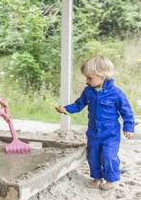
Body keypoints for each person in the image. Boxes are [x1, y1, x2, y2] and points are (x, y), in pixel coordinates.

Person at [56, 55, 134, 190]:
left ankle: (110, 179)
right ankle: (96, 178)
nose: (86, 81)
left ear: (102, 75)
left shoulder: (116, 93)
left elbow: (127, 111)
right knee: (93, 155)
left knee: (109, 156)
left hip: (110, 133)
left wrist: (128, 127)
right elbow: (79, 104)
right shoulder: (88, 91)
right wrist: (66, 109)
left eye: (89, 78)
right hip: (93, 132)